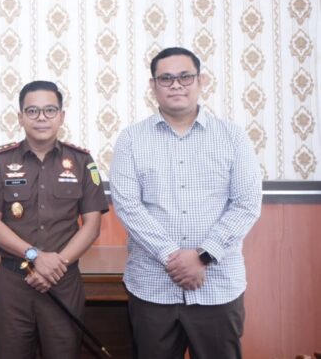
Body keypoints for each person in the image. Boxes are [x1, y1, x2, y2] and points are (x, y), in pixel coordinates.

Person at [109, 47, 262, 359]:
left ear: (200, 81)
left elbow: (246, 204)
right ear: (153, 86)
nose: (176, 85)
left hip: (217, 285)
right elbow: (127, 206)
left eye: (184, 77)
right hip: (152, 286)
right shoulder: (131, 139)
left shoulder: (232, 137)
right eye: (166, 78)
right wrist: (173, 257)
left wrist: (203, 256)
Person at [0, 80, 109, 358]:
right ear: (20, 117)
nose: (41, 118)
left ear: (61, 116)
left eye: (50, 110)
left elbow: (92, 225)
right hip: (14, 280)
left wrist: (55, 266)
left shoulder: (82, 161)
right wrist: (36, 256)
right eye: (32, 111)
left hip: (64, 279)